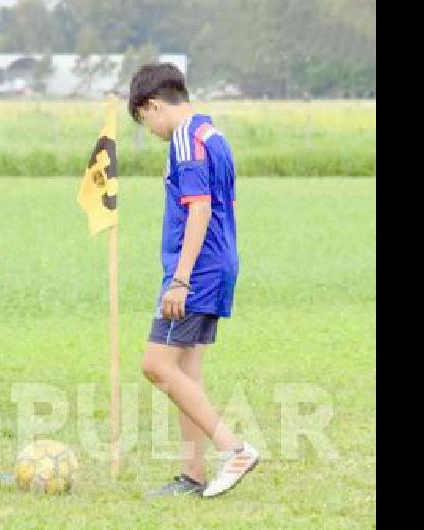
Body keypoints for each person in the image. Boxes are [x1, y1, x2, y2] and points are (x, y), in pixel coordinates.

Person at [127, 63, 258, 498]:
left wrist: (180, 280)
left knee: (156, 365)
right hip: (220, 263)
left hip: (196, 270)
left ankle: (234, 449)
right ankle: (192, 475)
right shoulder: (213, 134)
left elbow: (199, 209)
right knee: (187, 371)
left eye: (145, 120)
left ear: (153, 105)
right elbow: (230, 207)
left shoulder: (184, 140)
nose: (151, 129)